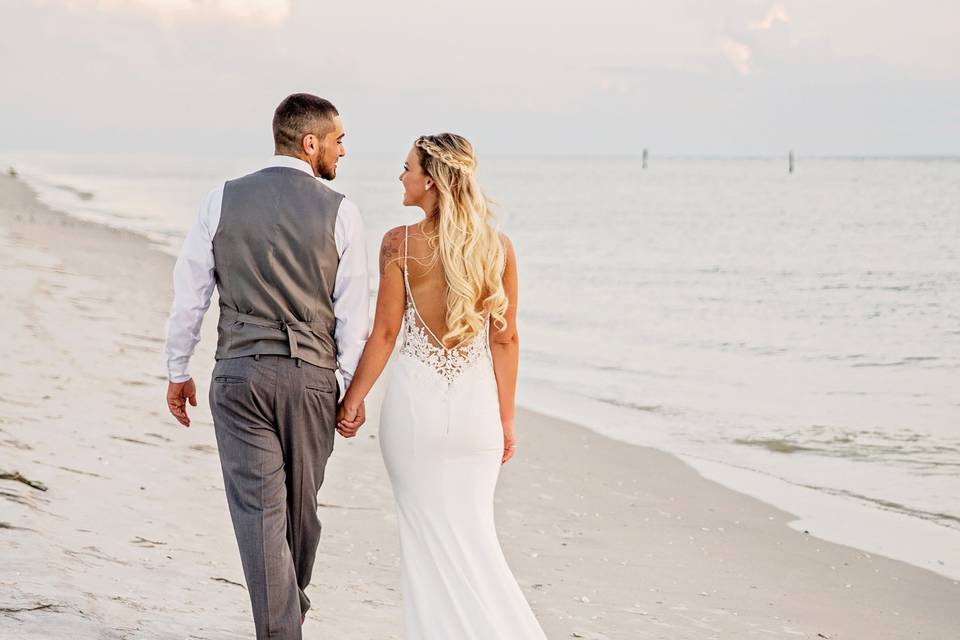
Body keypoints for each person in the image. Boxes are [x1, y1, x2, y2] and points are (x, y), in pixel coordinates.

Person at [163, 93, 369, 639]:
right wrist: (347, 391)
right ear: (310, 143)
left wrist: (178, 366)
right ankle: (283, 630)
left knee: (284, 519)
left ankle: (285, 612)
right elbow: (354, 316)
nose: (343, 150)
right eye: (338, 139)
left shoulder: (220, 200)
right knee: (282, 513)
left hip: (238, 376)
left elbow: (190, 293)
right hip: (310, 382)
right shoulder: (343, 212)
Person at [336, 133, 548, 638]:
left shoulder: (399, 243)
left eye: (407, 168)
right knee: (476, 537)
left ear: (430, 180)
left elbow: (385, 333)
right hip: (477, 419)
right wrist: (506, 419)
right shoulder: (497, 248)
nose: (402, 176)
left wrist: (352, 400)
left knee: (423, 540)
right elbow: (506, 340)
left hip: (415, 416)